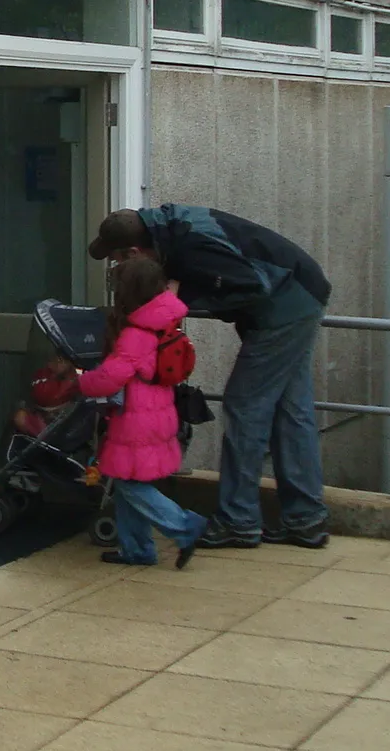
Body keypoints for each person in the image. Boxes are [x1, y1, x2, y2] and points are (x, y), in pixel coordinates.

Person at [88, 204, 331, 549]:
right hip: (300, 292)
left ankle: (239, 520)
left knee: (246, 406)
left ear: (134, 251)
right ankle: (306, 519)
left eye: (119, 260)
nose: (120, 268)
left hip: (284, 307)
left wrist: (180, 298)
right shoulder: (173, 229)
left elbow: (250, 286)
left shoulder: (191, 249)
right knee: (293, 412)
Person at [75, 254, 206, 567]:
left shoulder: (136, 333)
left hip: (135, 419)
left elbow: (110, 377)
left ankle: (185, 526)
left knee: (128, 484)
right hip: (157, 414)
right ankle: (137, 549)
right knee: (127, 482)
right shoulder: (164, 322)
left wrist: (80, 381)